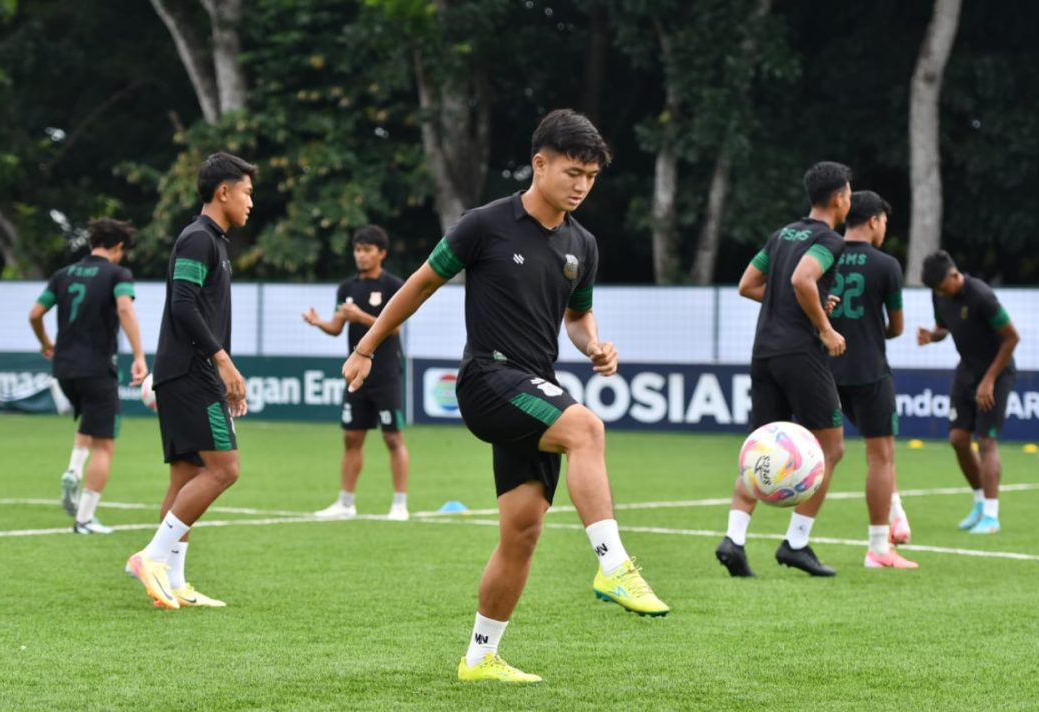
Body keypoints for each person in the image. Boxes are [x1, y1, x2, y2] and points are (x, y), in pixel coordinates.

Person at [342, 109, 668, 684]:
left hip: (534, 387)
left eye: (591, 177)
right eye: (573, 172)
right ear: (539, 164)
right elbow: (419, 284)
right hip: (488, 379)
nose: (581, 186)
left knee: (522, 532)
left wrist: (594, 346)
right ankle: (614, 565)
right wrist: (366, 347)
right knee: (587, 428)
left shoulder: (582, 244)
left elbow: (579, 316)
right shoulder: (484, 224)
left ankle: (479, 657)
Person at [124, 152, 255, 610]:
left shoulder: (213, 242)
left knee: (187, 476)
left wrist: (223, 367)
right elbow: (183, 305)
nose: (250, 202)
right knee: (224, 469)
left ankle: (175, 581)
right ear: (223, 192)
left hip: (188, 373)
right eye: (246, 192)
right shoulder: (199, 239)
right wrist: (223, 362)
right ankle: (152, 557)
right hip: (190, 372)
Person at [715, 161, 851, 578]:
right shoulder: (830, 239)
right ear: (838, 198)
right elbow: (802, 279)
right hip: (800, 354)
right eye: (848, 194)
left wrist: (807, 305)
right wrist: (824, 328)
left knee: (760, 451)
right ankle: (796, 544)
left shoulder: (781, 235)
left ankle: (733, 540)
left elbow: (748, 285)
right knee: (832, 448)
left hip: (765, 352)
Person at [28, 218, 148, 534]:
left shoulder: (63, 275)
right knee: (105, 445)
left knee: (88, 421)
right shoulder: (118, 274)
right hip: (97, 368)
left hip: (64, 370)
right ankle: (84, 519)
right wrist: (139, 355)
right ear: (119, 246)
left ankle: (73, 469)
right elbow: (125, 309)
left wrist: (45, 343)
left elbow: (35, 314)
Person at [827, 191, 917, 569]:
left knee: (827, 455)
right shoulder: (886, 265)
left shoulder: (823, 253)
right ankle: (879, 548)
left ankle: (796, 538)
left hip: (826, 371)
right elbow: (896, 327)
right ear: (875, 220)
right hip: (869, 371)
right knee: (880, 456)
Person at [302, 225, 410, 521]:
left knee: (392, 437)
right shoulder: (347, 288)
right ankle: (345, 503)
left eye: (367, 250)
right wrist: (318, 322)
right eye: (357, 250)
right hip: (355, 376)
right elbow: (337, 328)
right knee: (351, 437)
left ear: (381, 253)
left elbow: (395, 326)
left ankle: (400, 505)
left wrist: (360, 316)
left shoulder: (393, 285)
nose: (361, 256)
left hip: (385, 373)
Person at [918, 251, 1019, 535]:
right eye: (935, 291)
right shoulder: (939, 294)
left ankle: (991, 515)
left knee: (986, 442)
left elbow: (1012, 338)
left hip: (996, 373)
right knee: (958, 439)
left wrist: (989, 381)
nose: (940, 293)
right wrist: (931, 335)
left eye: (941, 287)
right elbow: (943, 327)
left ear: (953, 275)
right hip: (967, 371)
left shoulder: (982, 296)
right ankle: (978, 502)